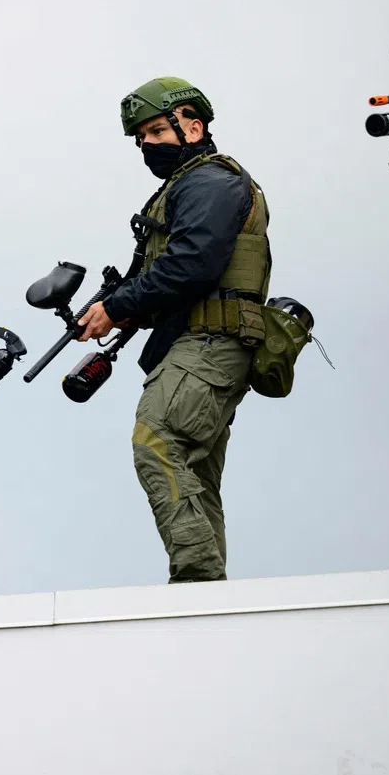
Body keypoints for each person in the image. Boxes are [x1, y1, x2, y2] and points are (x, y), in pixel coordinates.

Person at [78, 78, 271, 583]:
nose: (148, 144)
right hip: (199, 342)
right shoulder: (184, 185)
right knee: (197, 474)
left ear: (194, 125)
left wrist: (120, 304)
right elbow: (169, 274)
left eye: (159, 130)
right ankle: (210, 595)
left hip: (210, 342)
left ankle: (198, 579)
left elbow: (193, 265)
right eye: (141, 137)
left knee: (157, 441)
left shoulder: (210, 183)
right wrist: (116, 307)